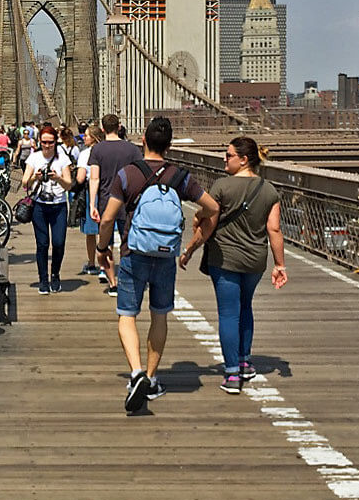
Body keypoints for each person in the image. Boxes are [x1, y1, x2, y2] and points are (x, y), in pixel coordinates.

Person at [98, 117, 219, 413]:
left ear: (143, 142)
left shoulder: (128, 175)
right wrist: (197, 218)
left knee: (127, 314)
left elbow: (108, 218)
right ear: (170, 145)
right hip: (166, 256)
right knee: (160, 316)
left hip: (133, 253)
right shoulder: (180, 176)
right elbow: (214, 207)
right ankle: (151, 379)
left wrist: (102, 249)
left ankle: (136, 373)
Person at [179, 136, 287, 394]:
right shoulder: (269, 189)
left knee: (229, 313)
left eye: (228, 155)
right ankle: (244, 362)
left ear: (244, 159)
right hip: (255, 261)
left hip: (224, 259)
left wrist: (189, 250)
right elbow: (274, 229)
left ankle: (231, 374)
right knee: (245, 307)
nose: (224, 159)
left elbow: (208, 226)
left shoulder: (221, 187)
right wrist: (280, 265)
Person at [89, 114, 142, 296]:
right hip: (128, 202)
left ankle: (112, 283)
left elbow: (94, 178)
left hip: (106, 201)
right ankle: (128, 281)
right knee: (128, 243)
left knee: (106, 244)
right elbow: (139, 176)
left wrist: (92, 204)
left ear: (102, 129)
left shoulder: (97, 150)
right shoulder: (132, 149)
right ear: (119, 127)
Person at [21, 125, 73, 294]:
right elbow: (24, 183)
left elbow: (68, 184)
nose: (47, 145)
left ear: (55, 142)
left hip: (58, 205)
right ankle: (43, 280)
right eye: (44, 142)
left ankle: (55, 274)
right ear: (39, 142)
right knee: (42, 244)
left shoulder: (62, 159)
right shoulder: (33, 158)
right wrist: (34, 177)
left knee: (58, 243)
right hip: (39, 207)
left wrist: (57, 178)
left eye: (50, 142)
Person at [75, 124, 104, 276]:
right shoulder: (107, 151)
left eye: (86, 136)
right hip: (106, 193)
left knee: (91, 233)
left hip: (90, 192)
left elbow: (80, 178)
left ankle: (92, 264)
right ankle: (105, 267)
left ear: (93, 138)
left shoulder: (85, 154)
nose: (83, 138)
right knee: (107, 232)